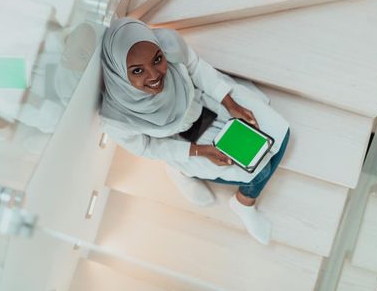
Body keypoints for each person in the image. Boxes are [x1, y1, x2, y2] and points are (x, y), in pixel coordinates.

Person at [100, 18, 290, 245]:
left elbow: (195, 68)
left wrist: (231, 104)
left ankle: (238, 196)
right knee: (258, 169)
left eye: (157, 60)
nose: (154, 75)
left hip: (205, 103)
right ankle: (242, 202)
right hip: (182, 141)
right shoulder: (116, 119)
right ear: (119, 73)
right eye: (138, 71)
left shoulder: (169, 44)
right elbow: (147, 147)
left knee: (281, 133)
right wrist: (201, 151)